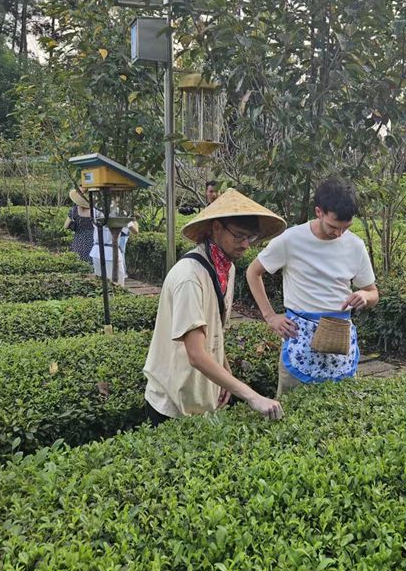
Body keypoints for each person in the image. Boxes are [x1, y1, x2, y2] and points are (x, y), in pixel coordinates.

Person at [144, 188, 286, 422]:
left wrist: (225, 374)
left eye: (249, 238)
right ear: (216, 228)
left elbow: (214, 330)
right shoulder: (189, 277)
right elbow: (196, 354)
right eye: (239, 236)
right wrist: (253, 396)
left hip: (201, 395)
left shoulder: (226, 268)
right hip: (172, 402)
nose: (245, 245)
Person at [246, 178, 379, 396]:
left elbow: (374, 292)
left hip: (339, 339)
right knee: (292, 408)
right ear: (319, 211)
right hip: (299, 337)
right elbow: (253, 272)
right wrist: (270, 316)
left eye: (346, 228)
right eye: (334, 227)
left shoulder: (355, 245)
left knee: (341, 409)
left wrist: (364, 295)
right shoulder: (291, 239)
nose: (339, 234)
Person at [64, 188, 98, 262]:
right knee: (91, 264)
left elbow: (65, 226)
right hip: (92, 241)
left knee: (79, 263)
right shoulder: (94, 212)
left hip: (78, 241)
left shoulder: (73, 211)